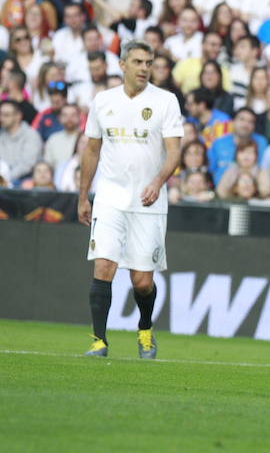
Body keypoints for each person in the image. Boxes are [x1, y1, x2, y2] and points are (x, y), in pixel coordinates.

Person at [78, 40, 183, 360]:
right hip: (110, 196)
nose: (144, 68)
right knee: (104, 265)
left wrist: (157, 182)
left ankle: (146, 330)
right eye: (138, 62)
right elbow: (92, 150)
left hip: (148, 200)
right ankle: (99, 341)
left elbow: (174, 151)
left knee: (141, 280)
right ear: (122, 65)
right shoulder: (103, 101)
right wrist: (83, 196)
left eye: (148, 63)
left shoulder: (165, 101)